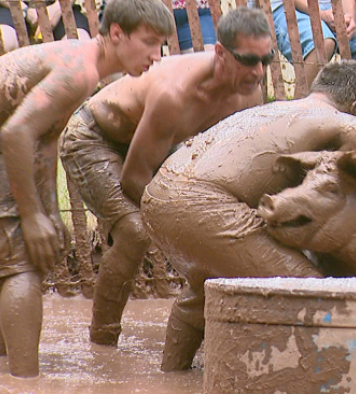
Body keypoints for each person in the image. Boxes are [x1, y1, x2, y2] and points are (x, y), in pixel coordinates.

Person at [140, 60, 356, 371]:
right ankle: (339, 382)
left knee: (201, 288)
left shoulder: (278, 109)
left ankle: (171, 377)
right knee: (310, 289)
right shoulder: (332, 118)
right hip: (203, 201)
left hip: (157, 195)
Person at [59, 6, 271, 349]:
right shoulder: (175, 94)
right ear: (220, 53)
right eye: (248, 60)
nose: (258, 71)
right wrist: (184, 225)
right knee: (134, 231)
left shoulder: (248, 94)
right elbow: (134, 179)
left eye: (267, 60)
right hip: (94, 139)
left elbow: (234, 169)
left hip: (153, 144)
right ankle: (103, 342)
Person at [0, 0, 174, 378]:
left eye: (162, 45)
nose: (156, 56)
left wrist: (45, 208)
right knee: (21, 266)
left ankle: (4, 369)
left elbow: (44, 140)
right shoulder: (79, 71)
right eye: (149, 42)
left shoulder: (84, 65)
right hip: (3, 141)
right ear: (115, 34)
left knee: (13, 259)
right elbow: (16, 134)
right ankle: (25, 382)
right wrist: (30, 217)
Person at [253, 0, 356, 87]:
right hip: (282, 5)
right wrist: (320, 14)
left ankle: (348, 112)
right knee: (322, 44)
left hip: (331, 6)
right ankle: (299, 114)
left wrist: (348, 17)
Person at [26, 0, 103, 41]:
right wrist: (26, 11)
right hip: (19, 11)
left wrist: (58, 9)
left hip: (62, 10)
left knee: (79, 40)